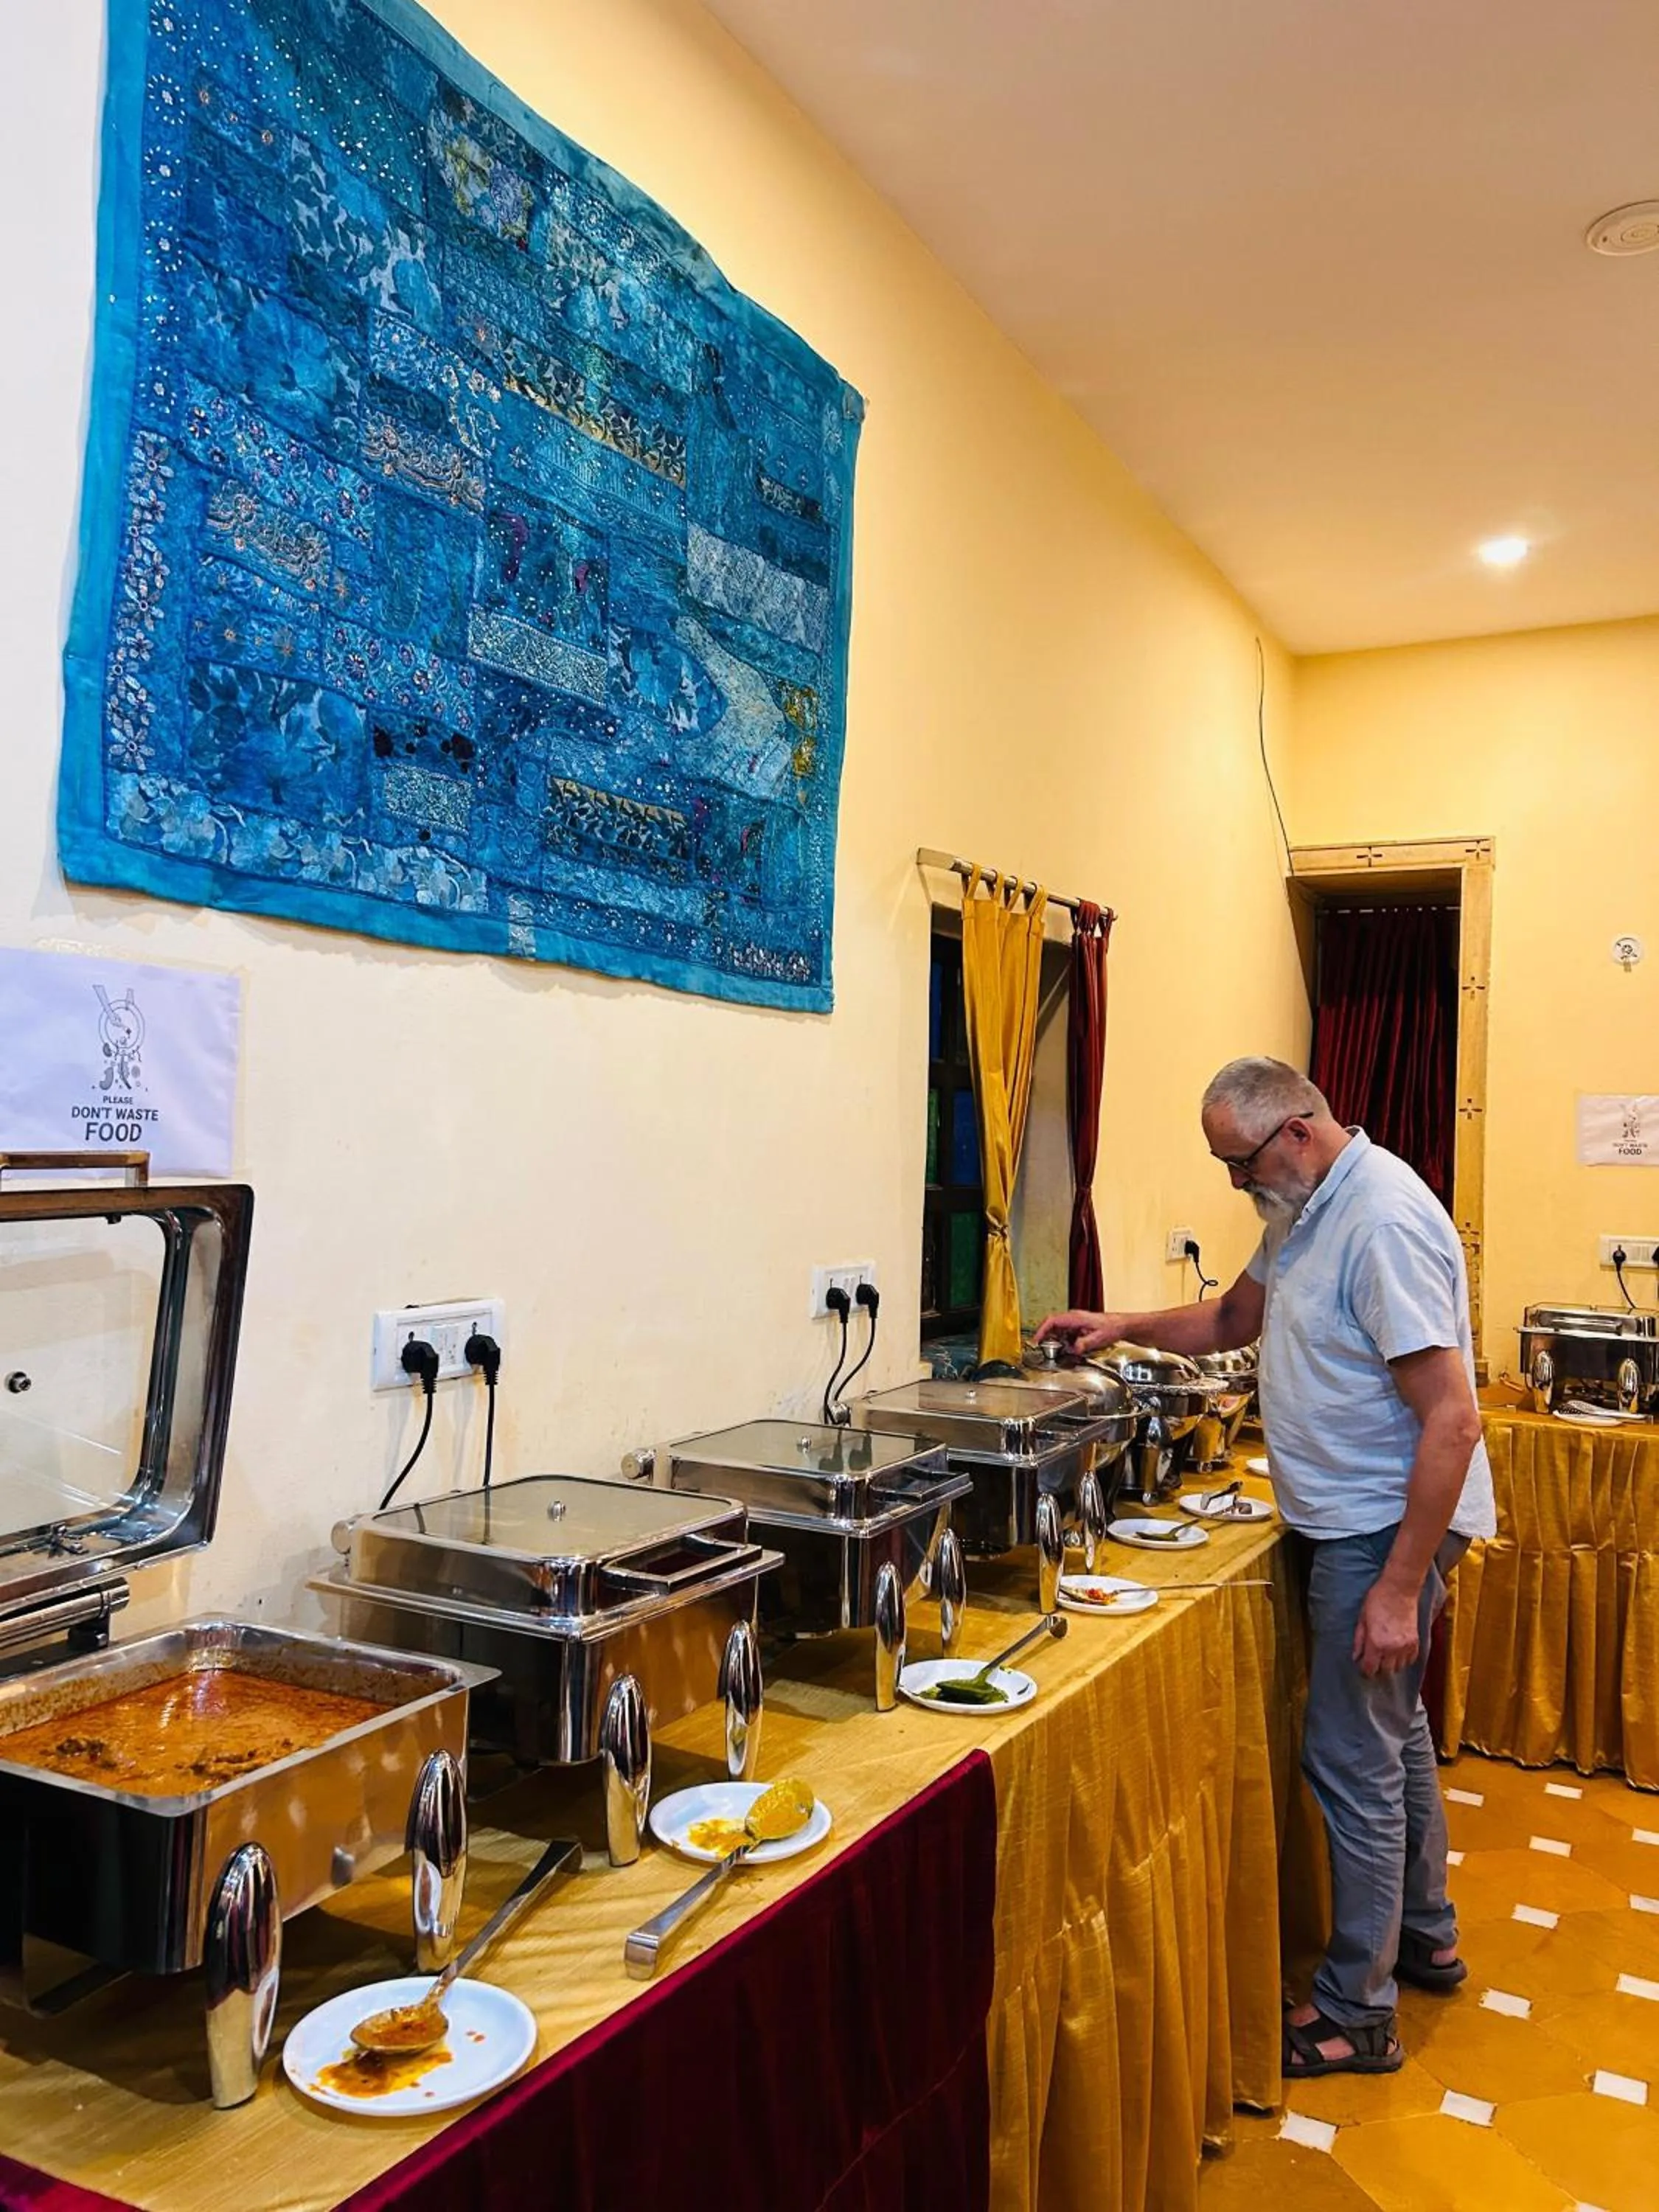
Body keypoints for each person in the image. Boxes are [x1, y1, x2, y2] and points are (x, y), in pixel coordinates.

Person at [1037, 1056, 1495, 2080]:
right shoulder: (1308, 1204)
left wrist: (1390, 1590)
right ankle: (1424, 1932)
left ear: (1292, 1131)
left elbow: (1453, 1421)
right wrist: (1121, 1326)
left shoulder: (1377, 1221)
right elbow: (1231, 1321)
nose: (1234, 1185)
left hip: (1380, 1528)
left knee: (1352, 1764)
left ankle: (1355, 2011)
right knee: (1396, 1734)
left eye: (1236, 1164)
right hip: (1359, 1520)